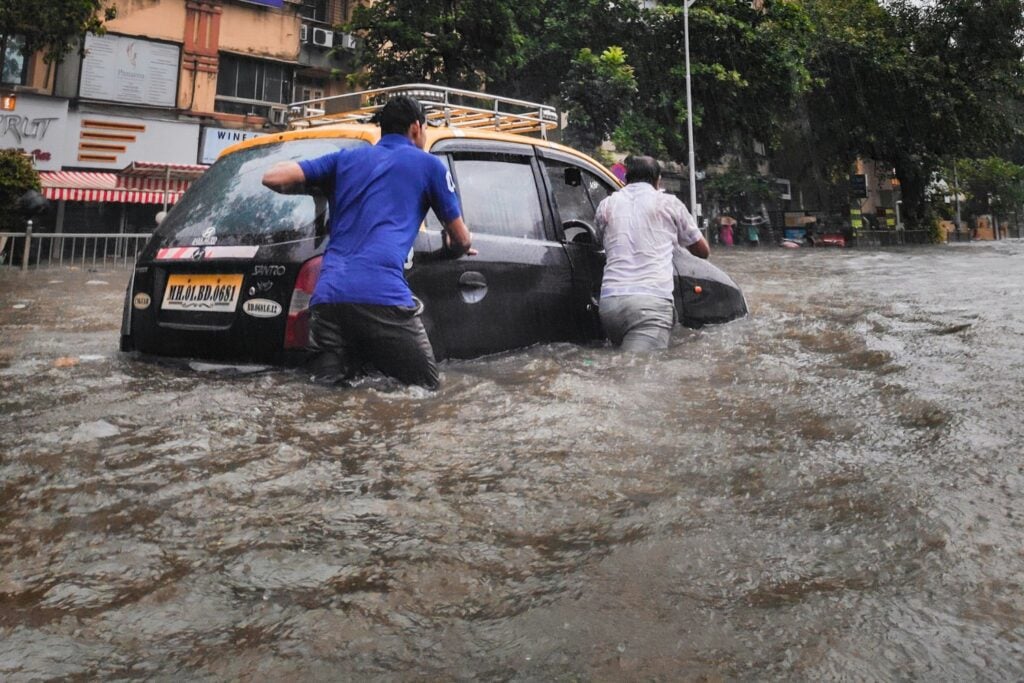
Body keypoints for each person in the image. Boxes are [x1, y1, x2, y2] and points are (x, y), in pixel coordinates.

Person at [261, 96, 473, 389]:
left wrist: (319, 185)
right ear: (415, 128)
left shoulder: (344, 159)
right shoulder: (429, 166)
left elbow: (272, 177)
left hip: (328, 300)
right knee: (426, 392)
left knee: (325, 396)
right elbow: (461, 238)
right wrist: (454, 246)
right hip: (383, 297)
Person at [595, 155, 709, 352]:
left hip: (609, 304)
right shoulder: (668, 204)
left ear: (626, 179)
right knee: (639, 374)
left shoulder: (607, 205)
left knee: (620, 368)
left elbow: (600, 241)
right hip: (650, 306)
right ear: (658, 180)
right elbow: (702, 251)